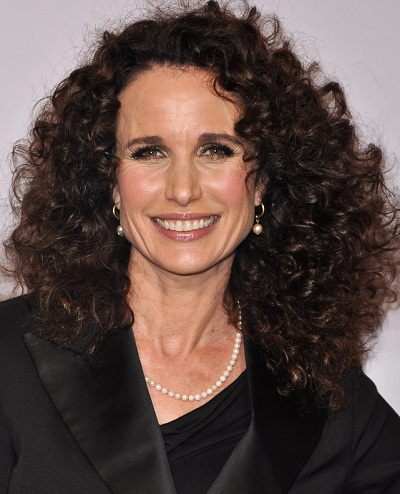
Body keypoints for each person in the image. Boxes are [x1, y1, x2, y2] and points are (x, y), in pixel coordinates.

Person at [1, 1, 400, 492]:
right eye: (150, 152)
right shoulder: (8, 356)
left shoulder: (323, 389)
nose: (183, 189)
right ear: (109, 183)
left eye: (216, 150)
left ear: (263, 182)